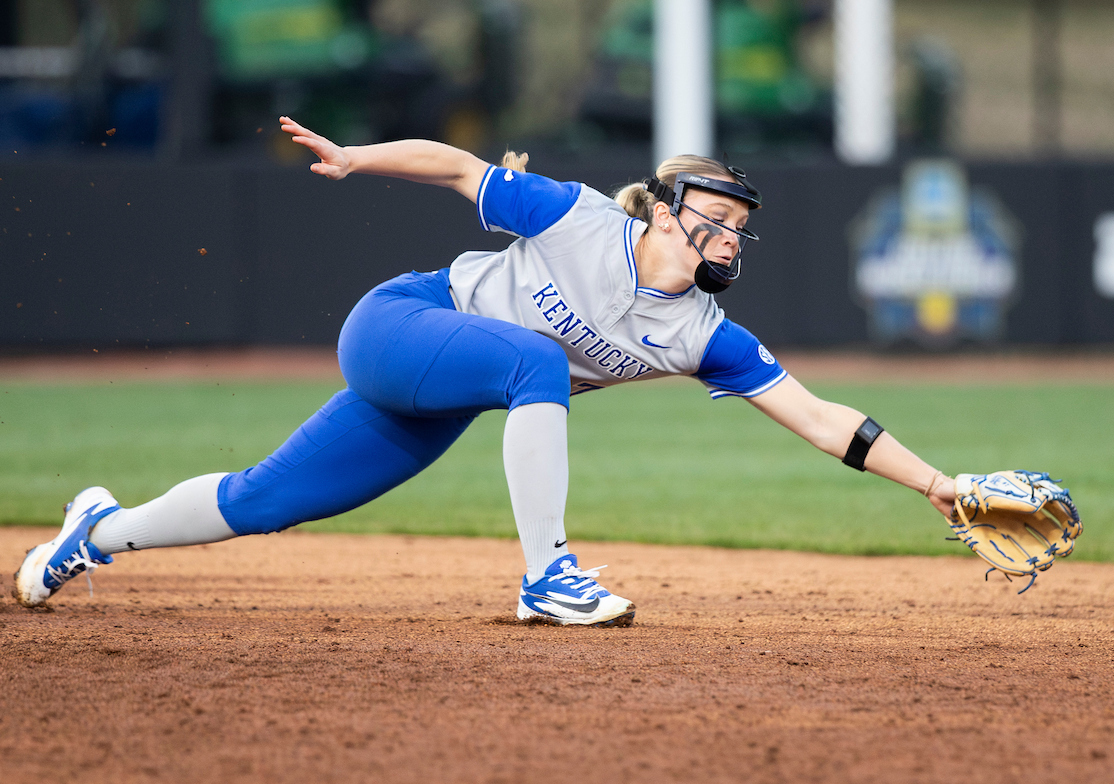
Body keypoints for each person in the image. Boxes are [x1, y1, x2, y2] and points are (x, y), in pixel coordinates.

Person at [14, 116, 958, 625]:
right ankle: (548, 577)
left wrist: (937, 485)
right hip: (403, 323)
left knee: (266, 502)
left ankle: (100, 530)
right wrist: (355, 158)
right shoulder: (583, 216)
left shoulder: (702, 333)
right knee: (539, 363)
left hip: (447, 391)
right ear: (665, 211)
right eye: (712, 213)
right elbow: (462, 168)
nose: (726, 232)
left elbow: (823, 416)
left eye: (738, 225)